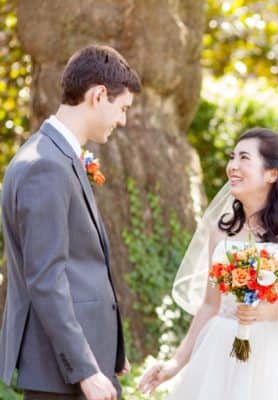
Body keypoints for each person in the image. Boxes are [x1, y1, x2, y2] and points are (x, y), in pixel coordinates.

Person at [139, 128, 278, 399]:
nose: (233, 166)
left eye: (244, 158)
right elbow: (210, 305)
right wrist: (177, 363)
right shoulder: (220, 230)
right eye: (232, 157)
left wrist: (272, 312)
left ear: (271, 174)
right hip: (223, 349)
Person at [0, 44, 141, 400]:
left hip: (84, 362)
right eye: (122, 108)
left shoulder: (55, 156)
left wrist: (110, 350)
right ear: (98, 95)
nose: (122, 120)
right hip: (63, 375)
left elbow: (81, 266)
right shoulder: (44, 166)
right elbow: (46, 278)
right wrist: (86, 369)